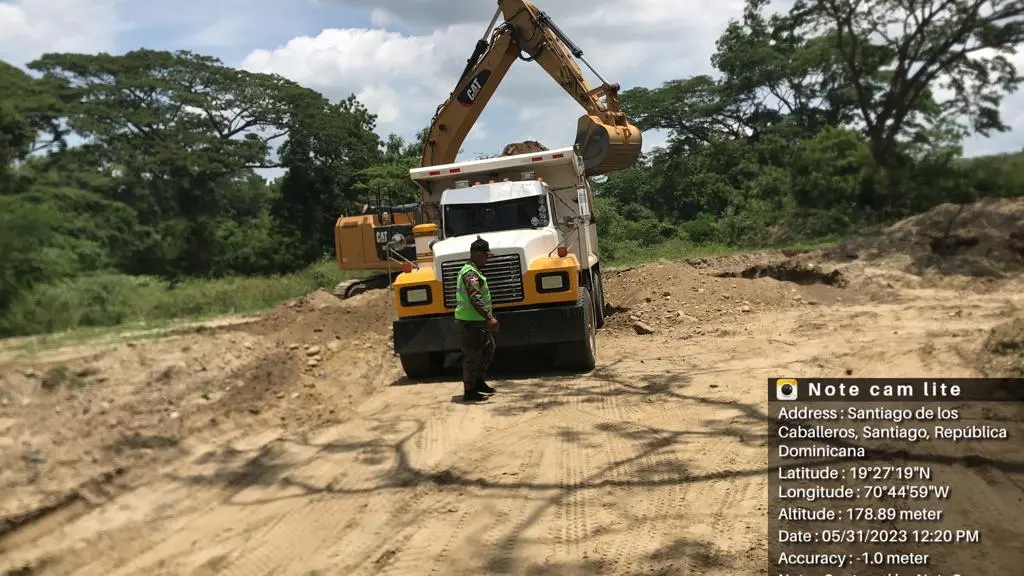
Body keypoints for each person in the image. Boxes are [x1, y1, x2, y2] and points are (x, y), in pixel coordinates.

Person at [455, 236, 500, 402]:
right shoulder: (470, 274)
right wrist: (489, 317)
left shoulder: (474, 272)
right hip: (470, 322)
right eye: (486, 255)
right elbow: (475, 298)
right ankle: (469, 390)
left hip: (476, 321)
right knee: (472, 356)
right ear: (478, 254)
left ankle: (479, 382)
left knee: (488, 348)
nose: (487, 258)